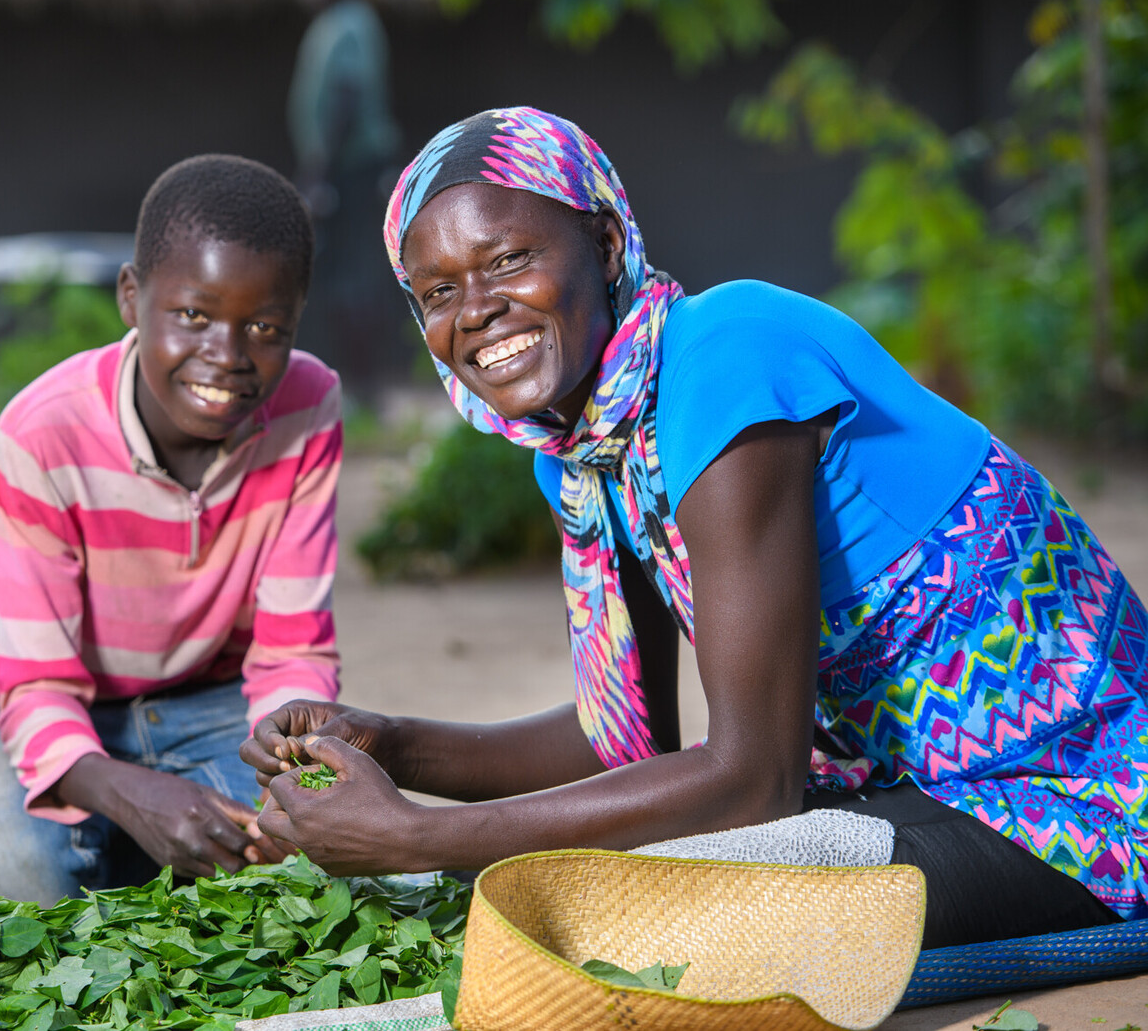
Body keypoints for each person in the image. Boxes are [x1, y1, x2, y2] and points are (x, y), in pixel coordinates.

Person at [244, 107, 1148, 949]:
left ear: (603, 243)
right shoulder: (588, 450)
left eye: (510, 260)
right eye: (437, 292)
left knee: (653, 917)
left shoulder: (725, 358)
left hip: (1078, 801)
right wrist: (388, 742)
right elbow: (622, 731)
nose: (473, 310)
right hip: (928, 794)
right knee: (612, 893)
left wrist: (418, 837)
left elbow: (751, 780)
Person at [0, 155, 343, 903]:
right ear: (132, 296)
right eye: (193, 314)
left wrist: (296, 776)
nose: (226, 355)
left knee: (318, 852)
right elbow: (35, 683)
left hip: (226, 705)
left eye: (264, 326)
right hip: (69, 708)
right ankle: (129, 840)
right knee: (12, 870)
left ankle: (145, 851)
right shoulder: (39, 435)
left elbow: (294, 652)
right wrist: (134, 797)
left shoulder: (309, 404)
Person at [286, 0, 405, 394]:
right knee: (341, 279)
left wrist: (319, 172)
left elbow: (347, 95)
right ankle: (352, 385)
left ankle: (364, 389)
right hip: (341, 167)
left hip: (353, 169)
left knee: (354, 278)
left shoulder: (352, 22)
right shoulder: (330, 24)